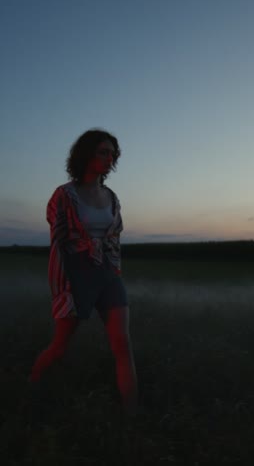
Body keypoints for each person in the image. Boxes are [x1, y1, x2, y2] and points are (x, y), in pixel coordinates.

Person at [28, 128, 138, 416]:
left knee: (123, 346)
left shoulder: (112, 197)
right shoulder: (64, 195)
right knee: (60, 346)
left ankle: (132, 415)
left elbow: (115, 237)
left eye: (113, 153)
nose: (110, 158)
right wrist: (63, 286)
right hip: (77, 275)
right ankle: (31, 386)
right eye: (103, 151)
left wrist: (114, 269)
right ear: (86, 154)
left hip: (108, 275)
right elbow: (59, 242)